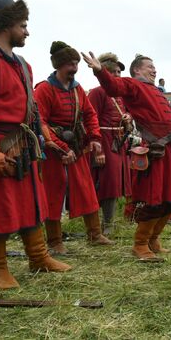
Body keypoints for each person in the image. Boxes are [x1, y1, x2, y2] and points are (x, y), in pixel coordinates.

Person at [0, 0, 71, 289]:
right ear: (6, 25)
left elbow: (30, 109)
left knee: (32, 203)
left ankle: (38, 257)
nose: (27, 32)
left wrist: (41, 138)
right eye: (23, 26)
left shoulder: (23, 64)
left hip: (24, 147)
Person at [82, 52, 171, 262]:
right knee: (154, 198)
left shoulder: (157, 92)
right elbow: (113, 87)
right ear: (137, 70)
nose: (154, 70)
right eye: (149, 67)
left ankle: (153, 240)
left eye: (154, 67)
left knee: (170, 199)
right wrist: (100, 71)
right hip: (155, 151)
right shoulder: (132, 85)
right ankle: (140, 244)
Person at [34, 42, 114, 255]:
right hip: (53, 150)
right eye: (71, 63)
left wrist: (95, 137)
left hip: (77, 145)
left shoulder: (77, 89)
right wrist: (60, 147)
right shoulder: (44, 89)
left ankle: (94, 234)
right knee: (53, 193)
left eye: (76, 63)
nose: (75, 68)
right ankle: (54, 241)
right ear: (59, 65)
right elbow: (39, 122)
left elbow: (89, 115)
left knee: (86, 188)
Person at [88, 52, 133, 236]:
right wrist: (97, 148)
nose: (117, 76)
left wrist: (128, 118)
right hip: (104, 142)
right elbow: (91, 121)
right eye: (113, 72)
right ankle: (106, 224)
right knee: (108, 184)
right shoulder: (97, 92)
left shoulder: (121, 95)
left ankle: (109, 221)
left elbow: (130, 115)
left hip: (119, 141)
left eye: (119, 73)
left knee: (117, 183)